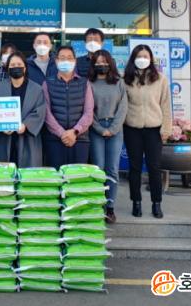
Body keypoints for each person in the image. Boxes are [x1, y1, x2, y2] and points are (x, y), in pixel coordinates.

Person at [123, 44, 172, 219]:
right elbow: (122, 105)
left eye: (145, 56)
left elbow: (165, 105)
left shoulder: (160, 79)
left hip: (153, 129)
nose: (142, 59)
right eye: (139, 56)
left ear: (151, 59)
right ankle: (136, 202)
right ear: (133, 59)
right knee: (134, 167)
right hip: (132, 128)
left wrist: (166, 128)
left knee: (154, 167)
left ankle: (156, 203)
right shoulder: (125, 79)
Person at [0, 51, 47, 167]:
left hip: (27, 139)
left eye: (19, 65)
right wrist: (0, 126)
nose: (16, 67)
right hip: (3, 139)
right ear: (8, 68)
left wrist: (25, 125)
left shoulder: (36, 89)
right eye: (12, 65)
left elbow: (40, 111)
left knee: (27, 172)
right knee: (4, 172)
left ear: (25, 68)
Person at [88, 50, 127, 224]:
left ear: (110, 63)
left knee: (112, 169)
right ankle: (98, 205)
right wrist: (99, 128)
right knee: (98, 168)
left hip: (115, 129)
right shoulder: (89, 83)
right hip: (95, 128)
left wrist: (113, 128)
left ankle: (110, 207)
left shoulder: (119, 82)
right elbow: (88, 109)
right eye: (98, 62)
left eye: (104, 61)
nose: (101, 65)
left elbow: (123, 108)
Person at [41, 46, 94, 169]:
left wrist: (75, 132)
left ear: (75, 61)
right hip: (54, 140)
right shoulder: (47, 83)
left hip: (80, 139)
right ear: (56, 61)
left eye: (69, 58)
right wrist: (62, 133)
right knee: (56, 176)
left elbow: (88, 112)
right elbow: (46, 112)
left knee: (77, 178)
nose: (66, 61)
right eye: (62, 58)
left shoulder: (84, 83)